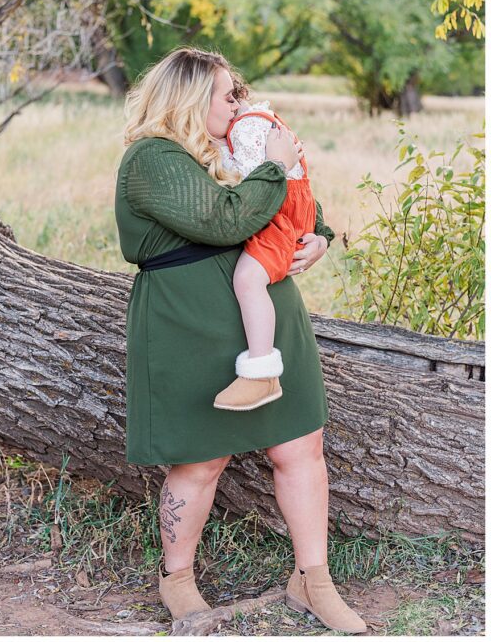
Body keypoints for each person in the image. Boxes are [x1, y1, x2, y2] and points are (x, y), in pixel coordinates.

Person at [114, 46, 366, 633]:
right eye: (229, 93)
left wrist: (320, 235)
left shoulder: (234, 148)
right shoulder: (153, 158)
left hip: (269, 319)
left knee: (301, 448)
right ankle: (177, 581)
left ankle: (313, 581)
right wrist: (273, 167)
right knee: (201, 459)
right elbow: (226, 220)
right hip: (190, 323)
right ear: (188, 97)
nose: (241, 102)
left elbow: (289, 204)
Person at [212, 93, 318, 411]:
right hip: (286, 207)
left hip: (280, 214)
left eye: (231, 97)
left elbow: (255, 179)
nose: (230, 105)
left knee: (248, 279)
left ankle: (261, 374)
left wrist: (217, 155)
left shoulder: (246, 128)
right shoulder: (256, 122)